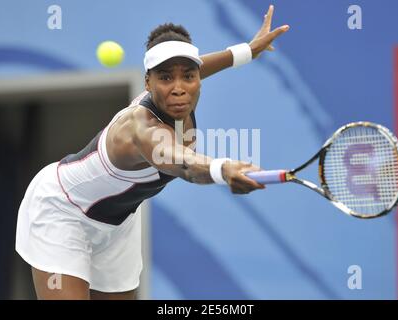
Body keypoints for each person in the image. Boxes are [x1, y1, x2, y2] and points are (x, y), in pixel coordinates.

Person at [15, 5, 289, 300]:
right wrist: (222, 170)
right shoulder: (141, 128)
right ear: (148, 82)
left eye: (189, 76)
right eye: (165, 77)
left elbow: (199, 66)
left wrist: (247, 51)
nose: (179, 87)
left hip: (118, 223)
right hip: (63, 210)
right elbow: (183, 163)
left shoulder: (182, 86)